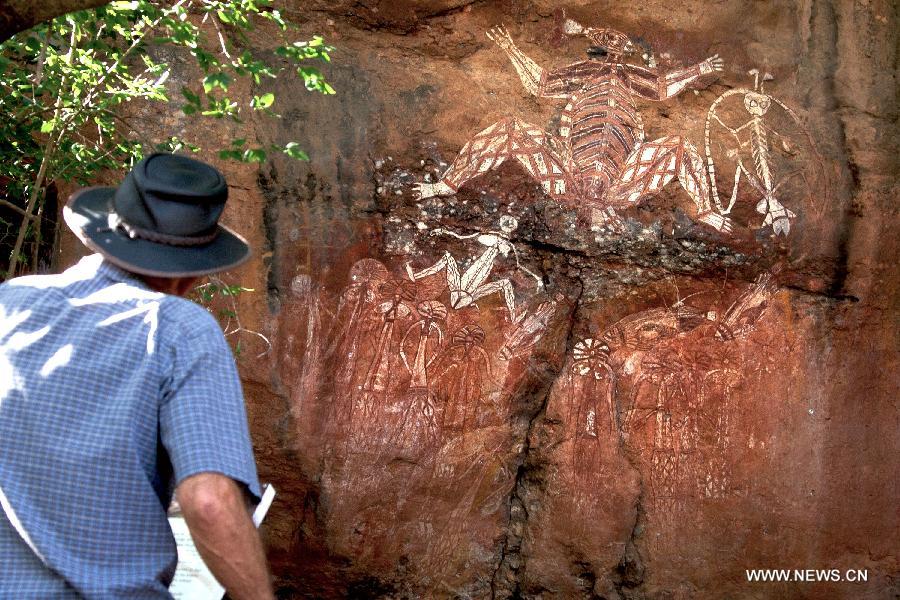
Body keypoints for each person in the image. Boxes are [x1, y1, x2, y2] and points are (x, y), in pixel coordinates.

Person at [0, 153, 274, 598]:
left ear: (102, 233)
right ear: (191, 274)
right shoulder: (180, 330)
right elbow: (208, 501)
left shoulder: (10, 303)